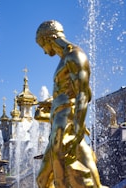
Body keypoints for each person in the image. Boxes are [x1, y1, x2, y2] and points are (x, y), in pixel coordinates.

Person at [35, 20, 108, 188]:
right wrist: (54, 102)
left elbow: (83, 95)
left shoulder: (75, 55)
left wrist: (77, 129)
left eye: (42, 46)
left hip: (65, 126)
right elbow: (77, 91)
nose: (45, 53)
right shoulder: (64, 59)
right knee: (42, 179)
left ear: (48, 39)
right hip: (57, 125)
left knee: (62, 179)